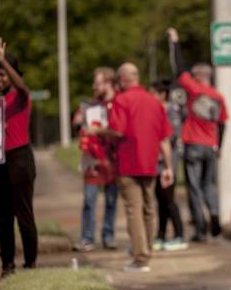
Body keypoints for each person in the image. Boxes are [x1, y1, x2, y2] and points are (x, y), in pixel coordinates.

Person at [108, 62, 174, 272]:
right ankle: (147, 251)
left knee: (133, 211)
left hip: (128, 164)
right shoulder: (154, 102)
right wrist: (169, 167)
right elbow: (164, 139)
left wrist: (98, 131)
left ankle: (141, 258)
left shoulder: (120, 100)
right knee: (148, 209)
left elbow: (117, 131)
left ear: (124, 79)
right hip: (150, 164)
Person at [167, 28, 227, 242]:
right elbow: (222, 124)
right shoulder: (219, 97)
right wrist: (219, 146)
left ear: (199, 76)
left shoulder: (193, 89)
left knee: (193, 188)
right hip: (211, 146)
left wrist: (174, 42)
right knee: (209, 185)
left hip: (193, 144)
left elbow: (178, 68)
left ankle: (201, 229)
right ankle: (214, 213)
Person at [0, 37, 38, 279]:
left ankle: (30, 264)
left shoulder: (20, 97)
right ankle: (7, 266)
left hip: (19, 158)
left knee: (23, 214)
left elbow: (22, 86)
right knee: (2, 217)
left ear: (11, 72)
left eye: (2, 74)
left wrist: (2, 60)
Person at [71, 67, 118, 252]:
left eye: (97, 83)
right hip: (92, 159)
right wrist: (79, 121)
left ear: (108, 83)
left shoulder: (119, 103)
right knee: (90, 200)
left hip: (112, 158)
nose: (94, 86)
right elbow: (77, 125)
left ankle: (108, 235)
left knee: (112, 199)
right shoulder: (88, 105)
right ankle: (87, 237)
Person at [149, 80, 188, 251]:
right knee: (160, 199)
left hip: (168, 161)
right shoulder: (155, 110)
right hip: (157, 161)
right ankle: (161, 235)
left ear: (162, 94)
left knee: (169, 199)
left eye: (153, 93)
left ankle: (179, 235)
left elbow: (172, 135)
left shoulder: (172, 110)